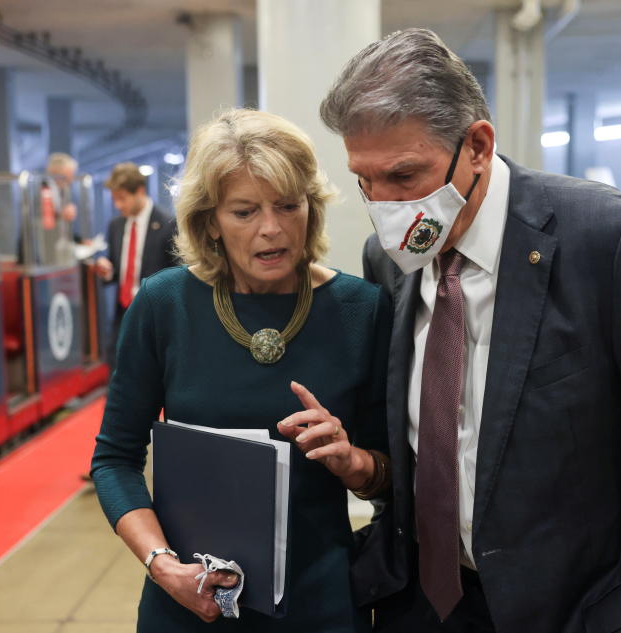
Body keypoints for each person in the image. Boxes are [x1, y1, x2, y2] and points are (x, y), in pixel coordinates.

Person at [320, 28, 621, 633]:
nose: (387, 206)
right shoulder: (388, 260)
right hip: (425, 604)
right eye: (365, 181)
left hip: (580, 607)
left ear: (476, 145)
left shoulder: (612, 243)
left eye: (404, 176)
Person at [90, 108, 392, 632]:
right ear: (210, 222)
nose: (271, 229)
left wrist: (352, 462)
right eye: (245, 212)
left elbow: (391, 474)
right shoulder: (165, 305)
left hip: (317, 603)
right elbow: (115, 459)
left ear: (311, 209)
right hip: (187, 599)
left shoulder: (360, 309)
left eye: (287, 205)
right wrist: (161, 565)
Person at [94, 162, 178, 369]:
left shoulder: (167, 224)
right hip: (123, 313)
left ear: (139, 190)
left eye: (122, 198)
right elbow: (117, 267)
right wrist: (107, 270)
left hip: (155, 315)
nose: (118, 206)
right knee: (117, 371)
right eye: (115, 199)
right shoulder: (116, 226)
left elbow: (177, 275)